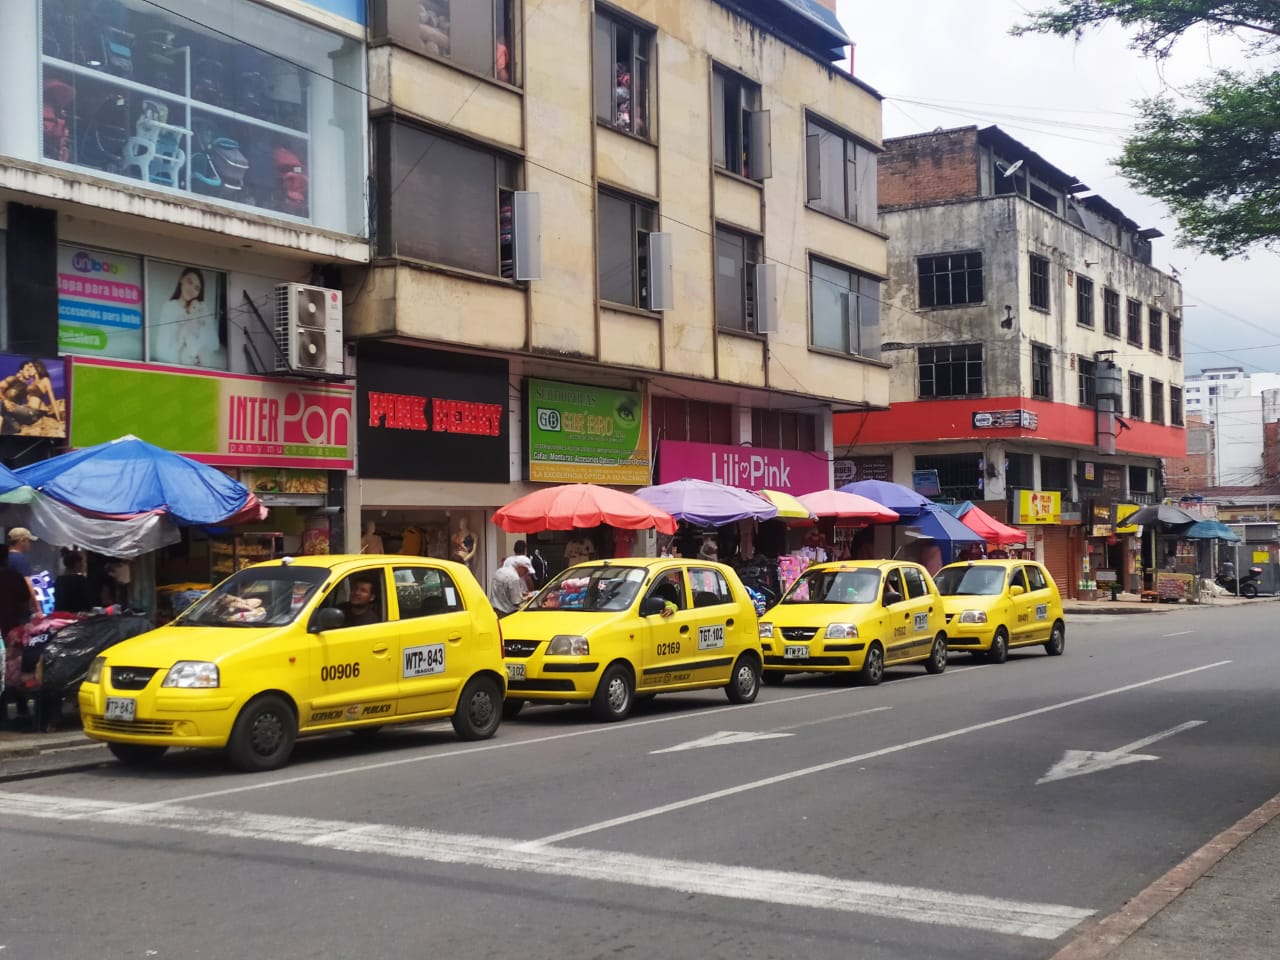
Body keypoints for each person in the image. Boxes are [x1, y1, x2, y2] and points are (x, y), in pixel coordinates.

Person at [152, 266, 224, 368]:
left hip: (201, 365)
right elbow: (161, 349)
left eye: (197, 288)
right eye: (189, 282)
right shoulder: (169, 307)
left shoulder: (202, 308)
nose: (191, 290)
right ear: (181, 279)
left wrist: (197, 349)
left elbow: (214, 343)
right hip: (176, 368)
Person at [0, 360, 62, 434]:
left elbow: (52, 399)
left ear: (37, 368)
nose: (29, 369)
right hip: (25, 410)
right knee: (15, 427)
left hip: (32, 412)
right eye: (28, 368)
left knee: (3, 403)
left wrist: (59, 419)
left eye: (31, 367)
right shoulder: (30, 384)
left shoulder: (45, 380)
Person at [6, 528, 40, 612]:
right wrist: (37, 608)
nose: (30, 544)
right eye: (29, 541)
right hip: (18, 607)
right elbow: (27, 582)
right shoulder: (20, 558)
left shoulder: (5, 557)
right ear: (22, 541)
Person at [53, 547, 92, 613]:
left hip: (60, 614)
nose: (83, 565)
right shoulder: (80, 580)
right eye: (81, 562)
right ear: (76, 563)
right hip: (76, 615)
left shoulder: (59, 580)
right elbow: (86, 603)